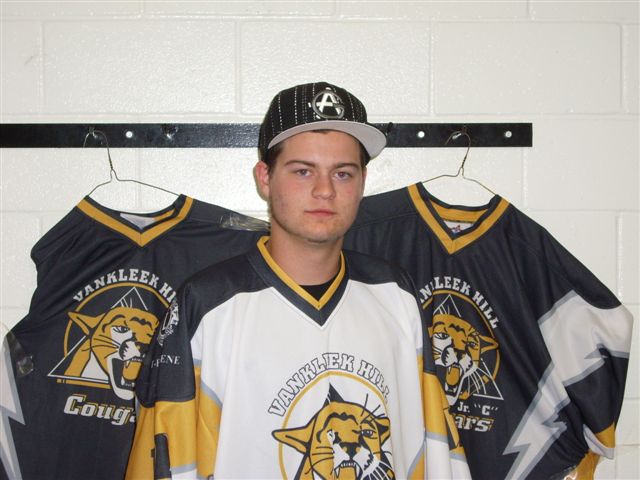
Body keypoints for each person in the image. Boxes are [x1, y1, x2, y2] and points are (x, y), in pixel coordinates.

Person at [125, 82, 470, 479]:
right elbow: (168, 459)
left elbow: (435, 447)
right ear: (265, 178)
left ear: (362, 182)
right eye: (303, 171)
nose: (324, 190)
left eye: (343, 173)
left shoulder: (396, 294)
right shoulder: (206, 303)